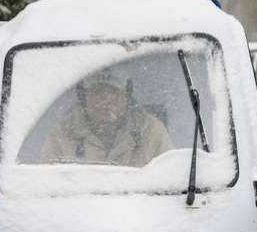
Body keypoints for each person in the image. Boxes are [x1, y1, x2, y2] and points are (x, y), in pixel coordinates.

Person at [40, 71, 171, 167]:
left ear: (127, 96)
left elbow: (169, 181)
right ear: (83, 97)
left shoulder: (153, 131)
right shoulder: (61, 134)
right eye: (97, 91)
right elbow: (46, 186)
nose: (105, 100)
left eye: (113, 91)